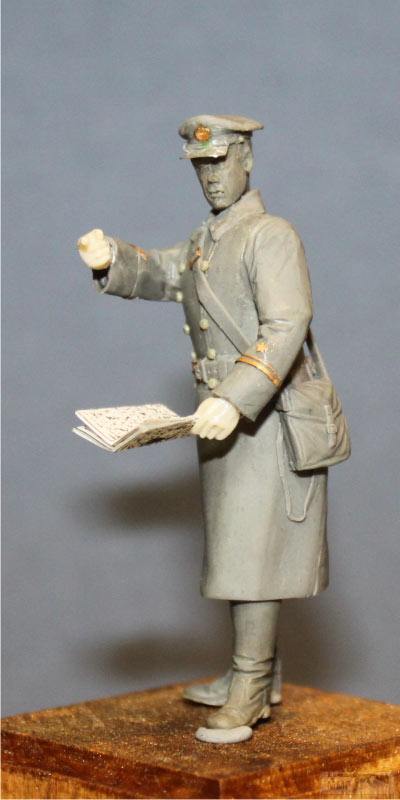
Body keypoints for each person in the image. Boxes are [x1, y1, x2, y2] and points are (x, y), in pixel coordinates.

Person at [77, 115, 328, 743]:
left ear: (246, 159)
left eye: (220, 162)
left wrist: (237, 397)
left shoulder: (270, 235)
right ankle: (255, 675)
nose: (211, 178)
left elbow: (288, 323)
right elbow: (169, 273)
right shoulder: (207, 239)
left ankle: (251, 687)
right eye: (201, 167)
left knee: (255, 556)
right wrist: (114, 260)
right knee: (240, 549)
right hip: (225, 421)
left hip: (265, 420)